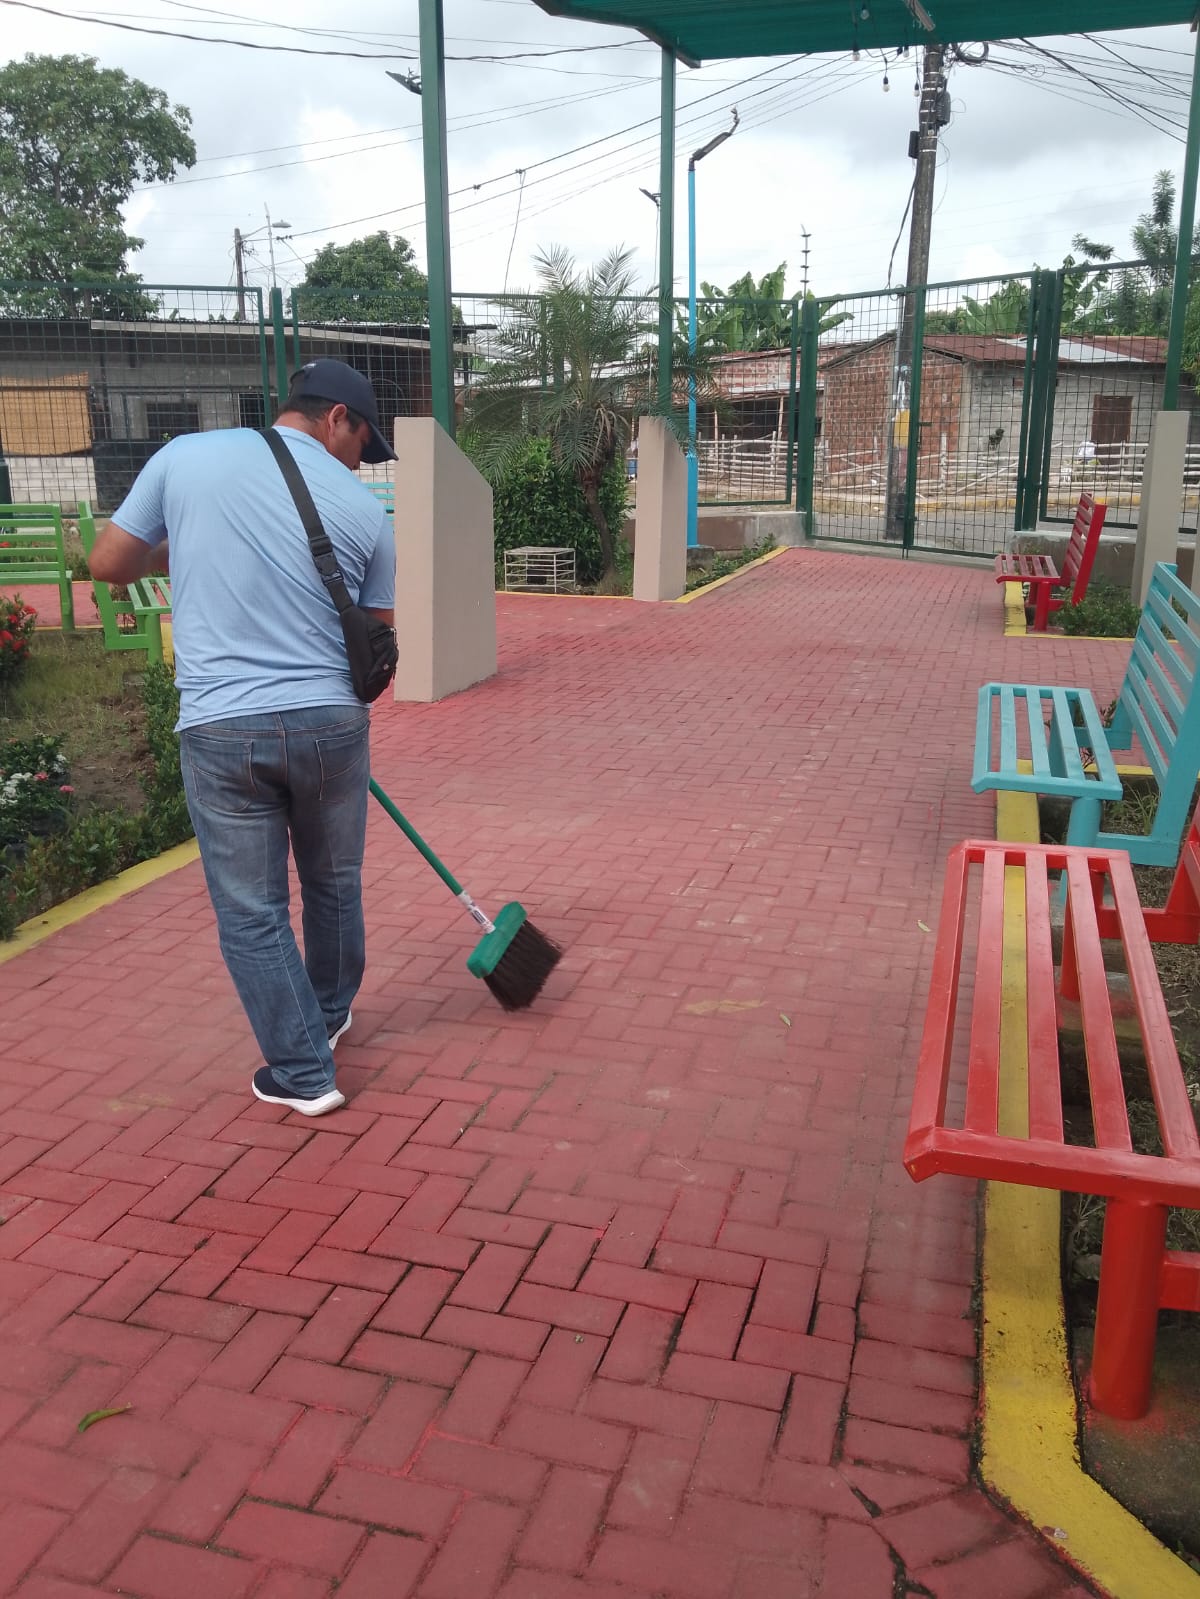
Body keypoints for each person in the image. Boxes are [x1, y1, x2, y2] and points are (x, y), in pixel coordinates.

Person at [88, 359, 397, 1117]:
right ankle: (328, 1013)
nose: (362, 464)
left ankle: (304, 1070)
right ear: (336, 419)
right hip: (331, 724)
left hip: (223, 727)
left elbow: (108, 564)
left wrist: (182, 544)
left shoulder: (184, 458)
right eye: (364, 444)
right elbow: (377, 643)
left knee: (252, 910)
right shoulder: (367, 515)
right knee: (334, 881)